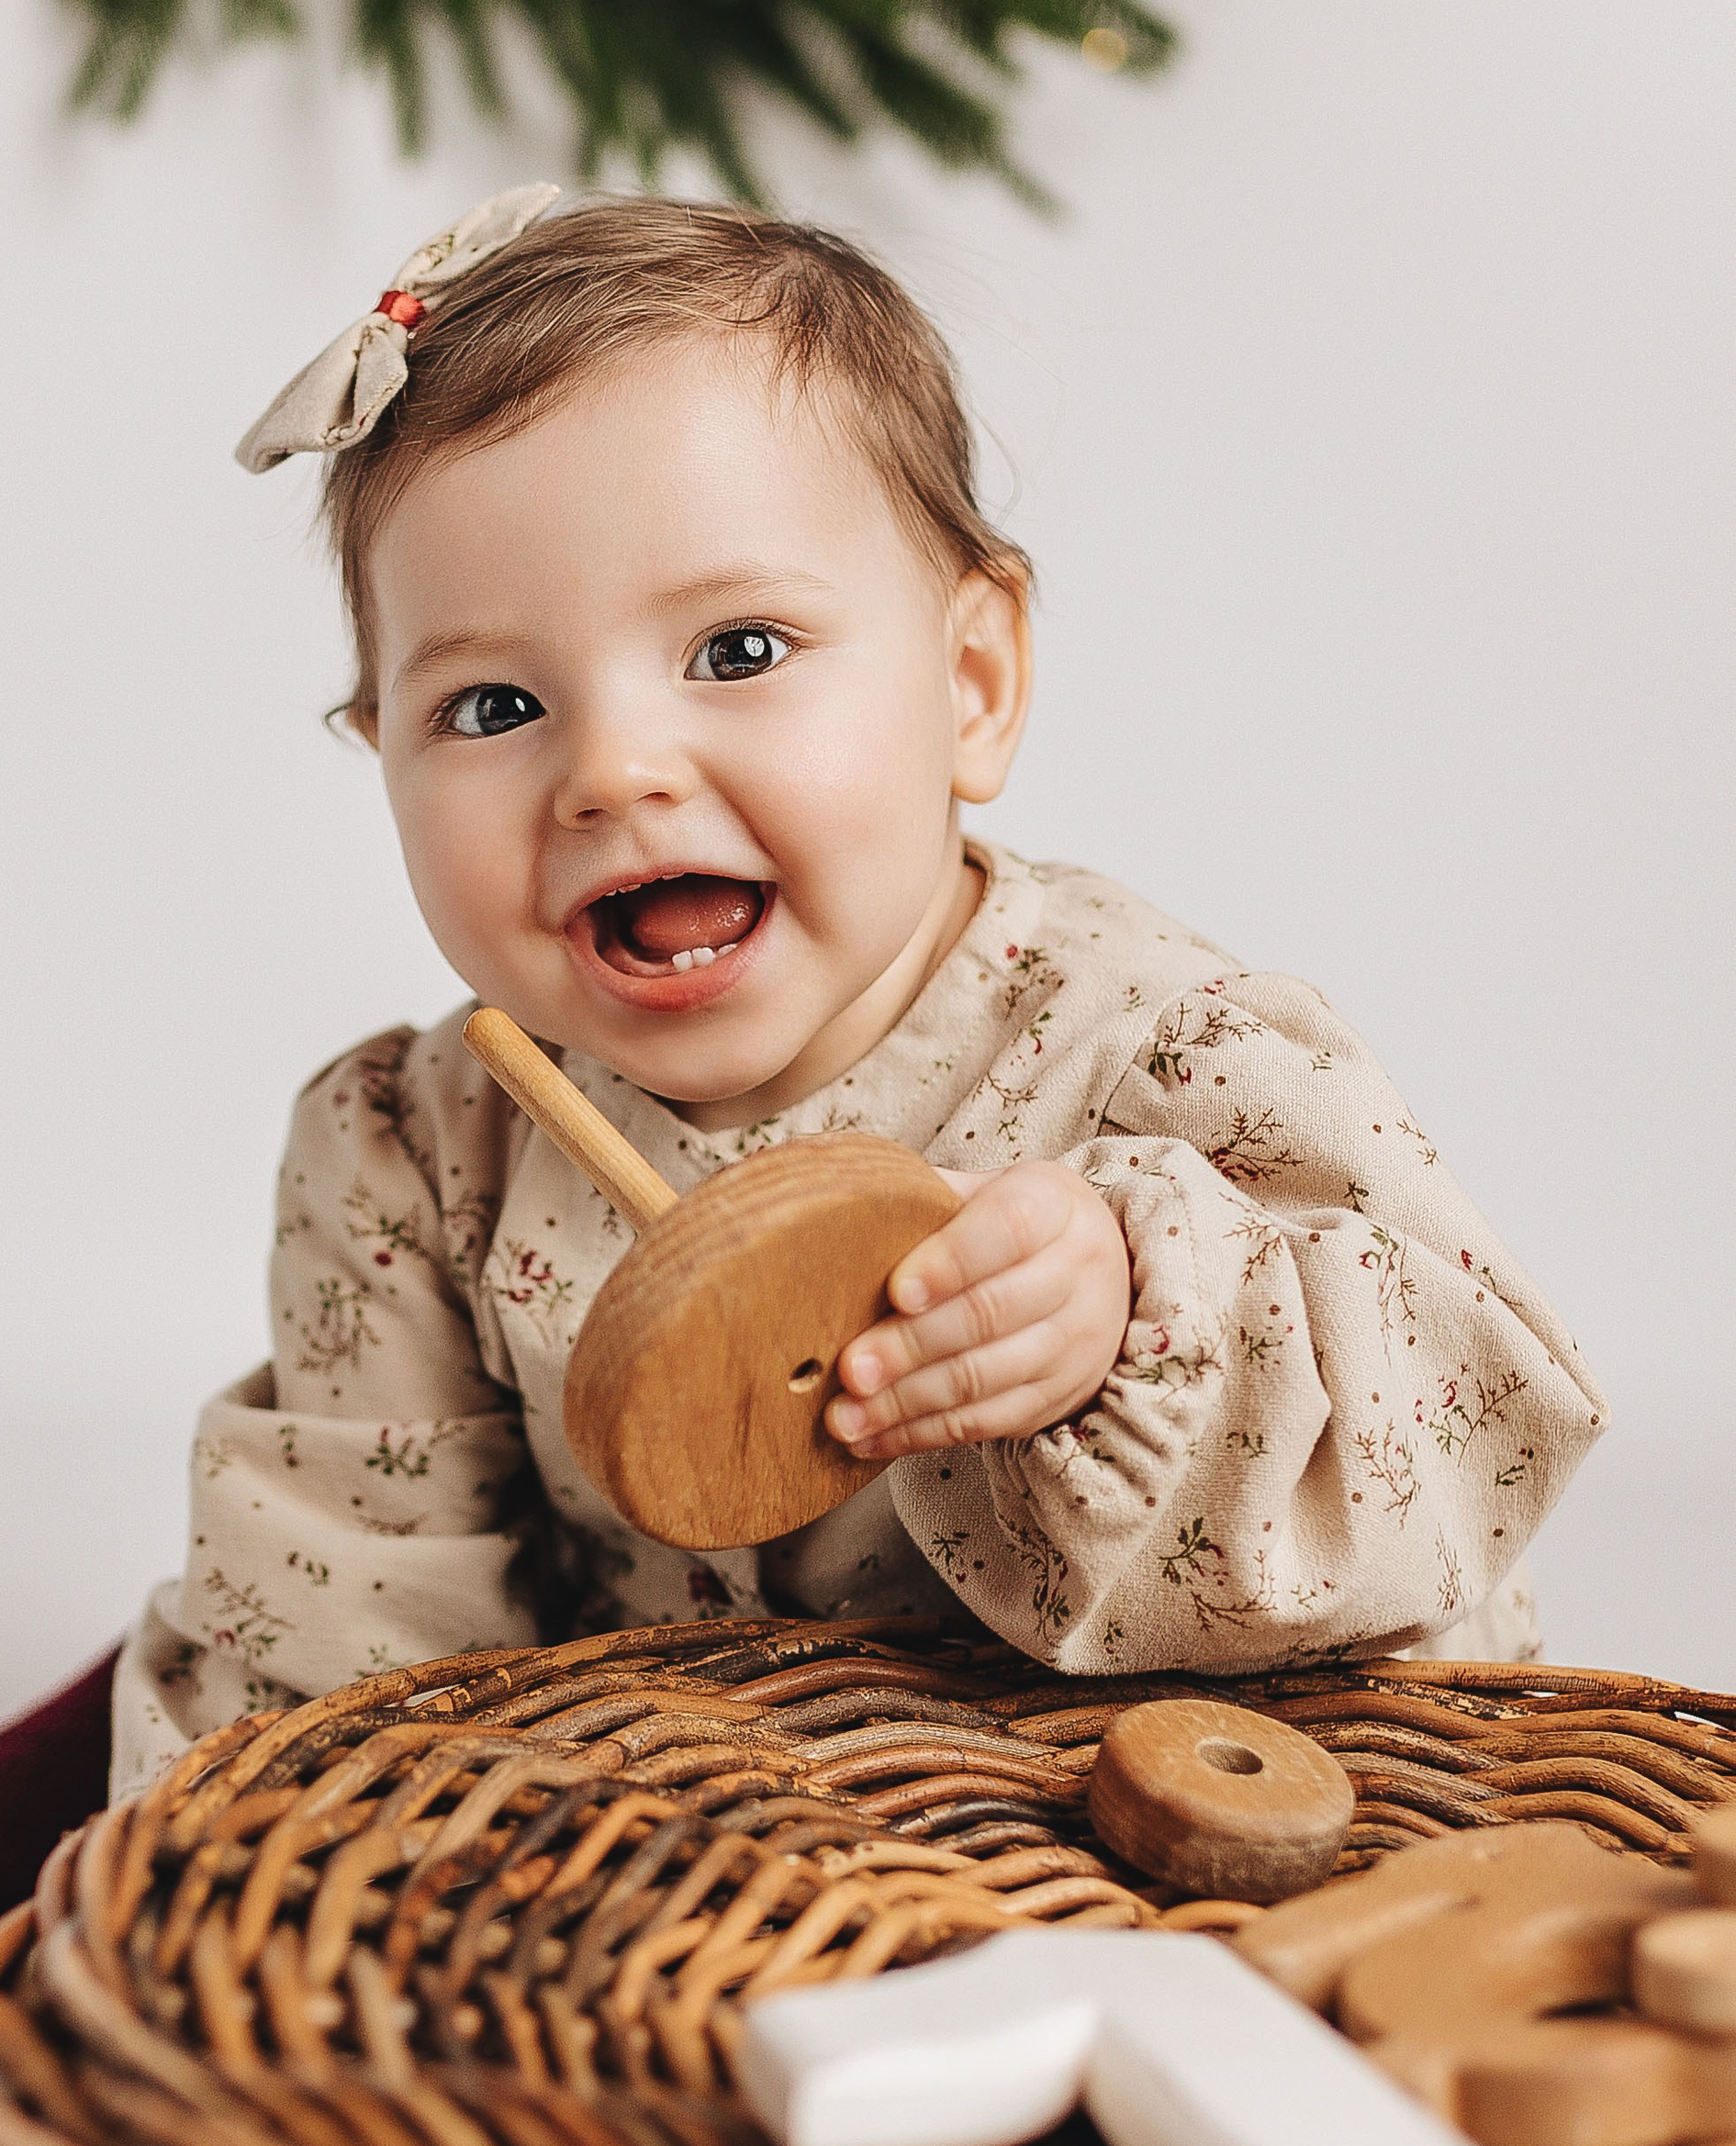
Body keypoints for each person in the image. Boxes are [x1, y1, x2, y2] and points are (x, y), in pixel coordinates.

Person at [114, 187, 1602, 1788]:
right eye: (491, 706)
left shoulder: (1158, 1057)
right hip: (723, 1832)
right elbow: (346, 1605)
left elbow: (1460, 1428)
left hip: (1175, 1796)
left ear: (971, 684)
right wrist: (316, 1833)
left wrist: (1139, 1320)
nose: (613, 770)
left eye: (738, 652)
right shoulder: (420, 1157)